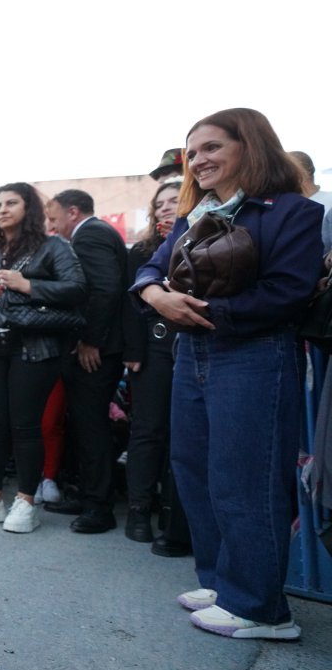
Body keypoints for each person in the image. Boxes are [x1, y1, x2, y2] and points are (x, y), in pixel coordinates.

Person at [132, 108, 321, 640]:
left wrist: (199, 313)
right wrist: (155, 294)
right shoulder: (199, 214)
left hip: (255, 353)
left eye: (211, 148)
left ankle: (262, 609)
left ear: (251, 146)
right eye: (193, 153)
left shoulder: (292, 212)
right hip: (193, 353)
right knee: (196, 470)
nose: (199, 161)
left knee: (247, 478)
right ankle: (222, 584)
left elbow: (288, 291)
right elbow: (149, 267)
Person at [0, 182, 85, 534]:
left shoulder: (53, 246)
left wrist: (27, 285)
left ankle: (27, 501)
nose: (2, 209)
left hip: (34, 347)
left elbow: (77, 288)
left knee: (26, 426)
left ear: (28, 207)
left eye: (11, 203)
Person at [45, 189, 128, 534]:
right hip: (94, 345)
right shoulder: (98, 233)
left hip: (97, 350)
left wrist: (90, 339)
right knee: (83, 425)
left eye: (53, 218)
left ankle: (99, 506)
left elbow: (104, 289)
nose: (51, 226)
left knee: (92, 426)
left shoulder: (91, 234)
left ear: (73, 213)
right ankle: (87, 493)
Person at [121, 179, 190, 553]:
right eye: (159, 202)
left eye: (173, 200)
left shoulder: (210, 238)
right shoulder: (144, 250)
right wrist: (134, 350)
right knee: (148, 431)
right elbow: (129, 304)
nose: (165, 207)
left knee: (185, 434)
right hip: (152, 346)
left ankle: (174, 517)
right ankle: (137, 512)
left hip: (194, 344)